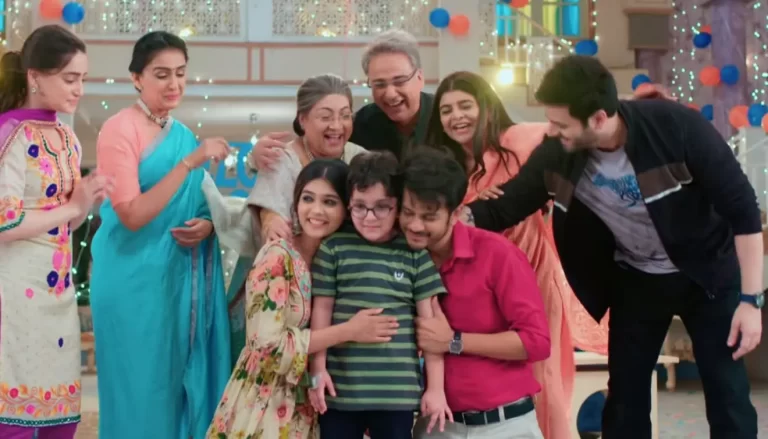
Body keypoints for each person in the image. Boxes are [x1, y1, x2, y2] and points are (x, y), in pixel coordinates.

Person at [463, 55, 762, 438]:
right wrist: (454, 218)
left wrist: (750, 301)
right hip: (637, 279)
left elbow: (743, 211)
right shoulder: (558, 151)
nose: (551, 131)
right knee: (624, 399)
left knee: (727, 394)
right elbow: (509, 204)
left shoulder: (676, 128)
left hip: (707, 275)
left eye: (561, 124)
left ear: (599, 119)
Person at [424, 70, 608, 438]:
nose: (456, 116)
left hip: (530, 277)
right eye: (446, 110)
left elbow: (572, 137)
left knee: (542, 378)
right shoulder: (443, 166)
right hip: (470, 289)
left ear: (487, 107)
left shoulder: (520, 140)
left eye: (465, 106)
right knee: (477, 369)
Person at [89, 31, 232, 439]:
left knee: (178, 388)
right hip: (131, 280)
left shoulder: (182, 134)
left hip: (177, 278)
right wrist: (189, 162)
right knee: (139, 391)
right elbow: (131, 214)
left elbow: (199, 203)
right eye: (162, 74)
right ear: (137, 78)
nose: (174, 84)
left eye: (181, 73)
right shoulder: (119, 129)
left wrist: (207, 225)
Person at [207, 159, 400, 438]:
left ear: (346, 209)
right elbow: (266, 347)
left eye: (329, 202)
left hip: (316, 408)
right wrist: (349, 331)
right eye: (308, 198)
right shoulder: (277, 256)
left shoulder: (340, 262)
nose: (316, 210)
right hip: (263, 407)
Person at [0, 24, 112, 439]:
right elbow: (5, 223)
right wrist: (73, 206)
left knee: (61, 417)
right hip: (13, 295)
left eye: (83, 78)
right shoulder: (10, 135)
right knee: (12, 417)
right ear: (35, 76)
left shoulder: (67, 138)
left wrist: (85, 201)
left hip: (57, 292)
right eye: (69, 78)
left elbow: (68, 222)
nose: (79, 88)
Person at [398, 148, 551, 439]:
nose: (415, 225)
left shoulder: (497, 254)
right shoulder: (400, 256)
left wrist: (453, 341)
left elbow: (536, 342)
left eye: (429, 217)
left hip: (505, 425)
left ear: (456, 213)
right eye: (407, 213)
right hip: (435, 425)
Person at [309, 151, 451, 439]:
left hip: (396, 396)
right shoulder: (333, 248)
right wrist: (317, 371)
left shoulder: (414, 254)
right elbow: (321, 311)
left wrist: (436, 389)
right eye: (360, 207)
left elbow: (430, 330)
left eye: (382, 207)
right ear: (349, 204)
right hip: (339, 393)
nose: (369, 217)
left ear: (398, 206)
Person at [249, 29, 432, 170]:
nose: (390, 93)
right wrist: (255, 158)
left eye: (399, 81)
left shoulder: (442, 115)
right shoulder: (362, 124)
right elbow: (313, 145)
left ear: (420, 78)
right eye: (379, 84)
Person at [246, 74, 366, 245]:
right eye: (325, 117)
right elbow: (268, 210)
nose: (337, 126)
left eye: (345, 115)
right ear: (303, 120)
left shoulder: (360, 158)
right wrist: (269, 218)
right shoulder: (282, 159)